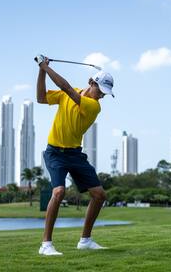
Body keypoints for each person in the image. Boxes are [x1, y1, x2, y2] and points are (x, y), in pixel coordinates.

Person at [35, 55, 114, 256]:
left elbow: (67, 89)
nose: (102, 96)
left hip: (75, 154)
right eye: (101, 91)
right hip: (55, 153)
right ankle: (46, 245)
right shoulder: (68, 97)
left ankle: (85, 240)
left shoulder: (94, 106)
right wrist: (41, 71)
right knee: (59, 192)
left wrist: (45, 66)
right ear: (91, 82)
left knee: (99, 195)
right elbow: (41, 98)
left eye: (105, 94)